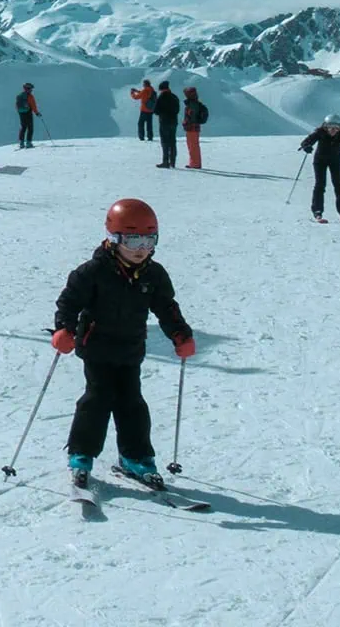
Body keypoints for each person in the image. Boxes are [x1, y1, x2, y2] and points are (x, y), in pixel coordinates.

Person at [51, 197, 195, 493]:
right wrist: (63, 329)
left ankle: (136, 456)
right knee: (98, 398)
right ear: (113, 239)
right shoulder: (91, 272)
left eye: (148, 241)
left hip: (131, 348)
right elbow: (68, 303)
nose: (141, 250)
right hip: (97, 347)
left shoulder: (153, 274)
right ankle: (81, 455)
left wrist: (180, 334)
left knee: (132, 402)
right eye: (133, 241)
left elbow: (167, 308)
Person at [300, 114, 340, 224]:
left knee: (338, 185)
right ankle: (317, 211)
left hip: (335, 161)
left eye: (336, 128)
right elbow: (306, 142)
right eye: (330, 127)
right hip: (320, 161)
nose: (333, 130)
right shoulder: (319, 133)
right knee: (320, 184)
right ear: (325, 127)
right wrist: (307, 147)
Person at [152, 81, 181, 168]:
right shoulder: (174, 97)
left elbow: (156, 111)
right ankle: (173, 161)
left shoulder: (161, 97)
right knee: (172, 142)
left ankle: (165, 161)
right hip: (173, 122)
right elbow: (177, 110)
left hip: (164, 122)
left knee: (165, 142)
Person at [181, 86, 209, 169]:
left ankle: (195, 164)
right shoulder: (195, 102)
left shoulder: (192, 104)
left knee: (193, 146)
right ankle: (194, 163)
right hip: (194, 127)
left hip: (192, 128)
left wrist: (186, 122)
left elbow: (191, 116)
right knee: (193, 145)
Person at [16, 82, 41, 148]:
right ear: (28, 89)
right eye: (31, 89)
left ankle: (21, 143)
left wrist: (20, 112)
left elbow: (16, 106)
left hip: (21, 113)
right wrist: (37, 113)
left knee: (23, 127)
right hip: (28, 113)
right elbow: (33, 106)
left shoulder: (19, 96)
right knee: (30, 128)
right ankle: (28, 143)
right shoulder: (30, 96)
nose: (31, 90)